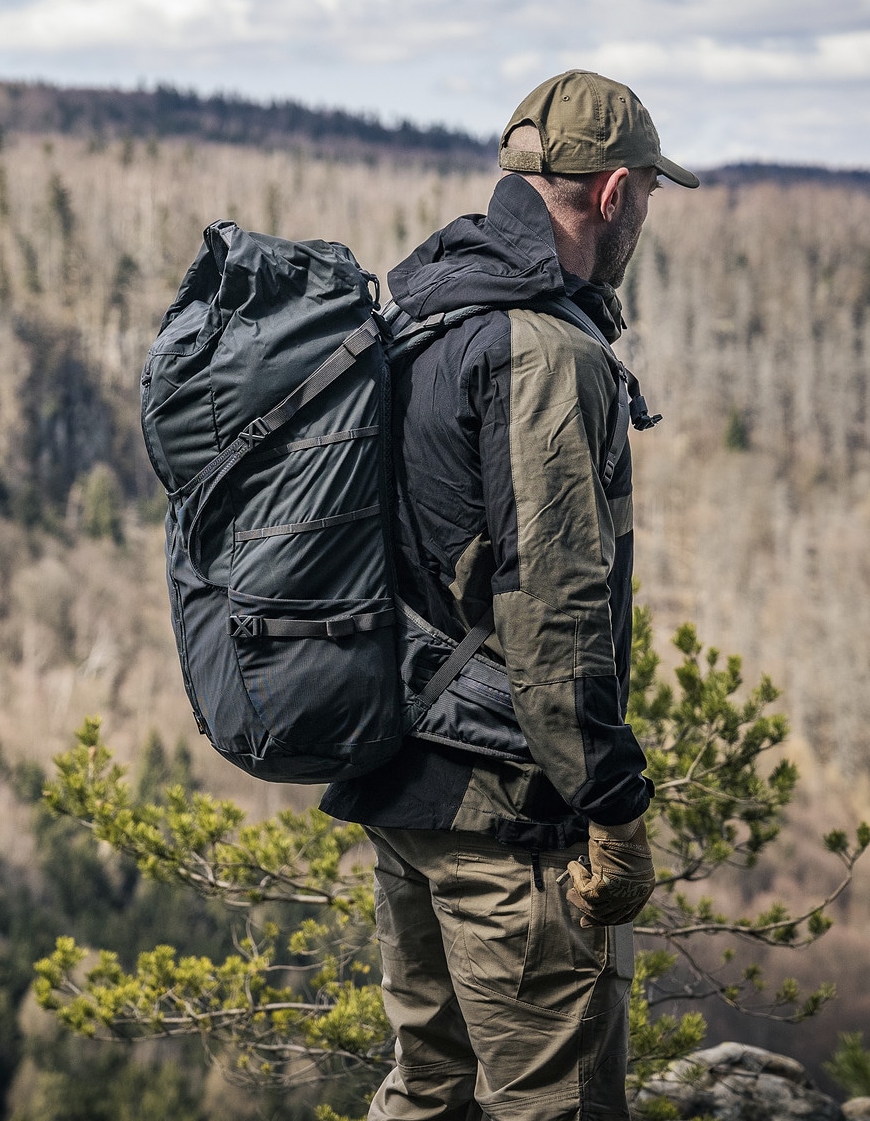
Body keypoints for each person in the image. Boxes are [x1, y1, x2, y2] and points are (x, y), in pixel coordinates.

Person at [320, 69, 698, 1121]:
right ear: (614, 192)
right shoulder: (544, 348)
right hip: (510, 819)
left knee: (428, 1089)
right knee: (553, 1101)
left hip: (405, 786)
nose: (646, 217)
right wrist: (614, 807)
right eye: (651, 197)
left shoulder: (425, 314)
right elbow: (556, 604)